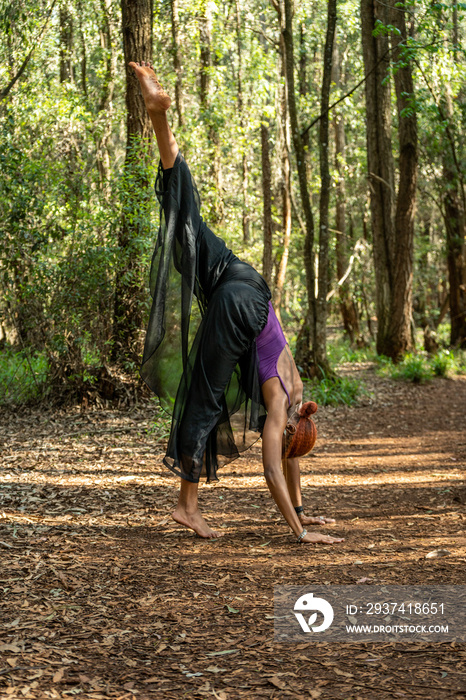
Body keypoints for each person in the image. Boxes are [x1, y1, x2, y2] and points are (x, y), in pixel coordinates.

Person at [131, 60, 343, 546]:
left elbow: (288, 460)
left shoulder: (296, 392)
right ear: (288, 426)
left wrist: (304, 511)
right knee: (204, 394)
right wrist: (299, 531)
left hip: (239, 276)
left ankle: (160, 117)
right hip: (239, 301)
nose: (280, 436)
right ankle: (186, 506)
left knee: (185, 215)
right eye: (284, 433)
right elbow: (273, 468)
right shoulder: (278, 403)